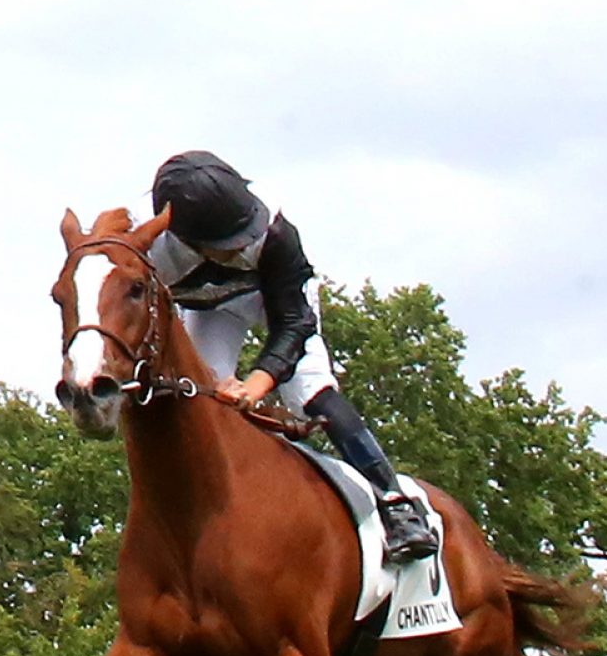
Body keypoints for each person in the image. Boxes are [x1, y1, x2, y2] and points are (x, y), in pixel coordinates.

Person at [146, 150, 438, 563]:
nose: (246, 242)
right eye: (229, 244)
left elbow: (294, 323)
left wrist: (258, 383)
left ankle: (397, 505)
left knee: (311, 392)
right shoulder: (152, 251)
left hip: (277, 303)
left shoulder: (277, 233)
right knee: (200, 404)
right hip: (206, 311)